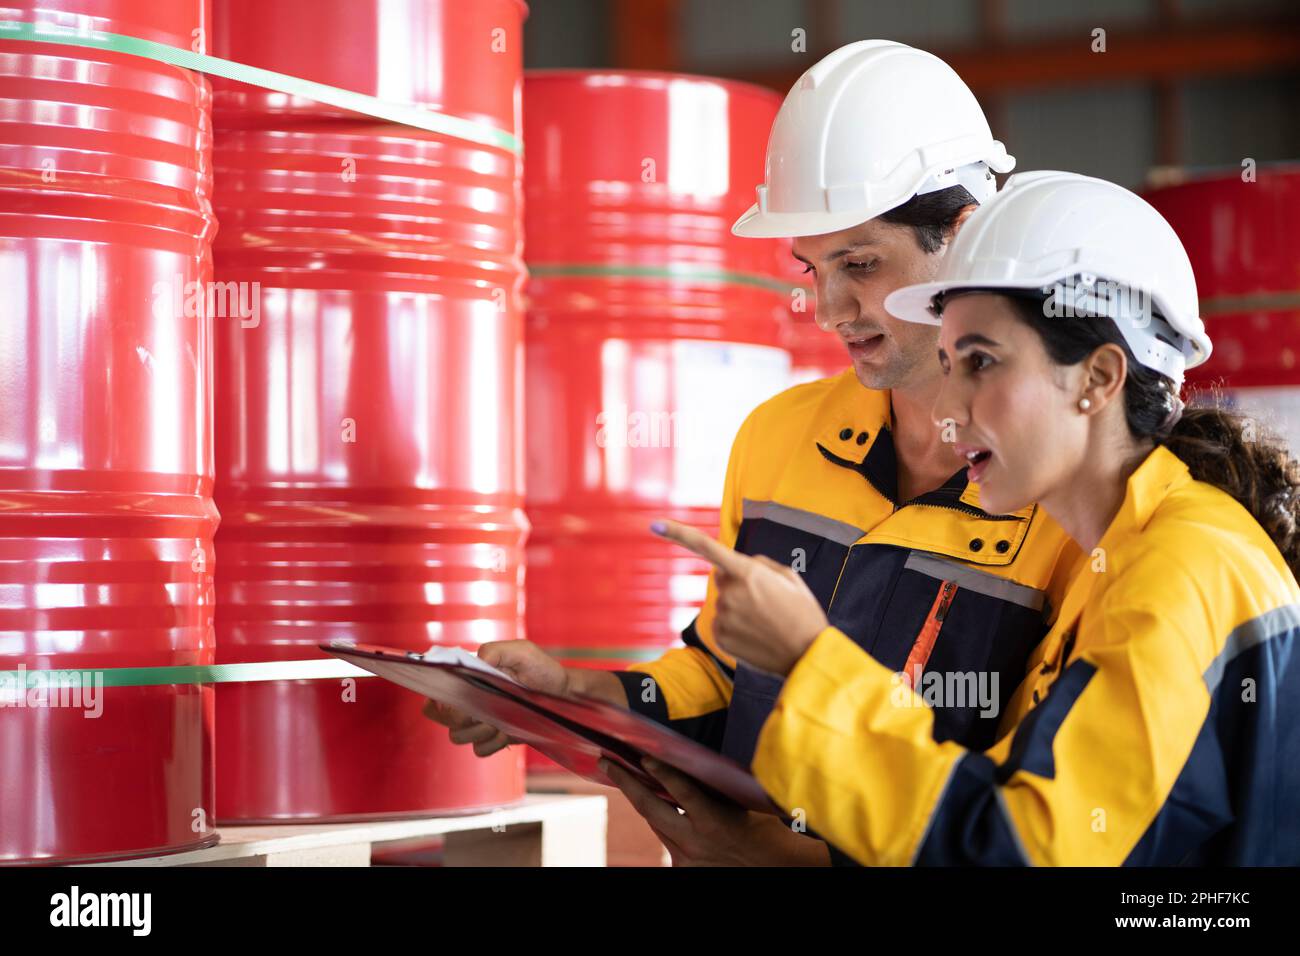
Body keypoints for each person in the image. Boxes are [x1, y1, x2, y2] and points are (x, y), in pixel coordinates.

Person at [427, 41, 1079, 865]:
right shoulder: (780, 438)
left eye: (861, 264)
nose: (828, 309)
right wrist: (574, 696)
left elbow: (1038, 825)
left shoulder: (1065, 496)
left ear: (965, 231)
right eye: (810, 268)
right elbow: (722, 676)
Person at [654, 170, 1300, 865]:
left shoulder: (1181, 568)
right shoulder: (1135, 552)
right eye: (947, 363)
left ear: (1100, 378)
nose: (946, 408)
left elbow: (1025, 850)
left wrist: (811, 666)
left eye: (982, 363)